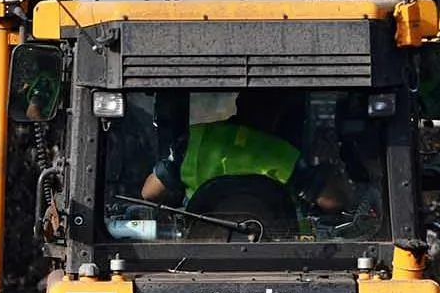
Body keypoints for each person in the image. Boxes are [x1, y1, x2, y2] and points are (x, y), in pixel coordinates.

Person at [139, 90, 349, 214]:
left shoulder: (196, 140)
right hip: (277, 253)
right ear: (279, 113)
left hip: (199, 249)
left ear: (239, 104)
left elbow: (150, 193)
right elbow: (333, 202)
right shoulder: (284, 154)